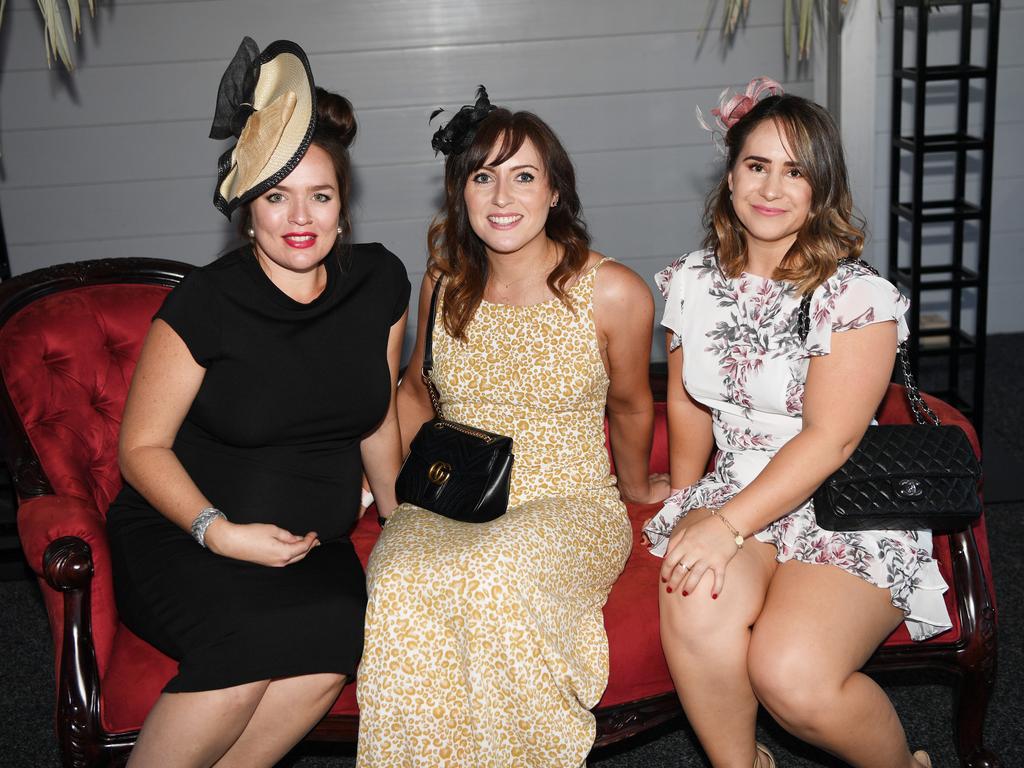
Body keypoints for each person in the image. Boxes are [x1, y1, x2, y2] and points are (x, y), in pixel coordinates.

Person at [105, 38, 410, 767]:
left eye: (320, 194)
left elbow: (376, 415)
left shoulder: (381, 285)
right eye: (276, 195)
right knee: (245, 655)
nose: (298, 215)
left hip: (312, 546)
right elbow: (139, 449)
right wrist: (220, 532)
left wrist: (401, 525)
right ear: (247, 210)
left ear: (344, 204)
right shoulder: (205, 304)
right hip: (186, 535)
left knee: (335, 639)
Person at [355, 87, 670, 768]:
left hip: (565, 497)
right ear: (461, 193)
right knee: (401, 578)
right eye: (483, 176)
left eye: (523, 175)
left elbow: (631, 406)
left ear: (555, 191)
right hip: (454, 494)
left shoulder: (613, 290)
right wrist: (406, 491)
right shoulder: (442, 280)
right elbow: (415, 389)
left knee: (496, 574)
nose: (502, 195)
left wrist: (640, 491)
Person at [643, 78, 947, 768]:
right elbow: (689, 401)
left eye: (796, 171)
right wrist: (689, 498)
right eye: (757, 165)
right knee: (693, 592)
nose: (772, 188)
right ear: (730, 176)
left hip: (839, 499)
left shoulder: (855, 295)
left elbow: (830, 439)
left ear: (822, 189)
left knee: (793, 677)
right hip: (736, 484)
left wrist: (725, 525)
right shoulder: (690, 281)